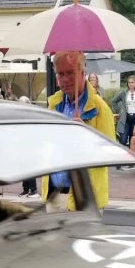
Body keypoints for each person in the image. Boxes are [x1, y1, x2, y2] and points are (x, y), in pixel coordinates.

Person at [41, 50, 116, 209]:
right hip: (54, 194)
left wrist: (85, 135)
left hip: (84, 198)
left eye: (70, 73)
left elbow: (111, 154)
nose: (65, 79)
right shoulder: (54, 104)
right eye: (61, 74)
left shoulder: (100, 109)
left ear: (82, 73)